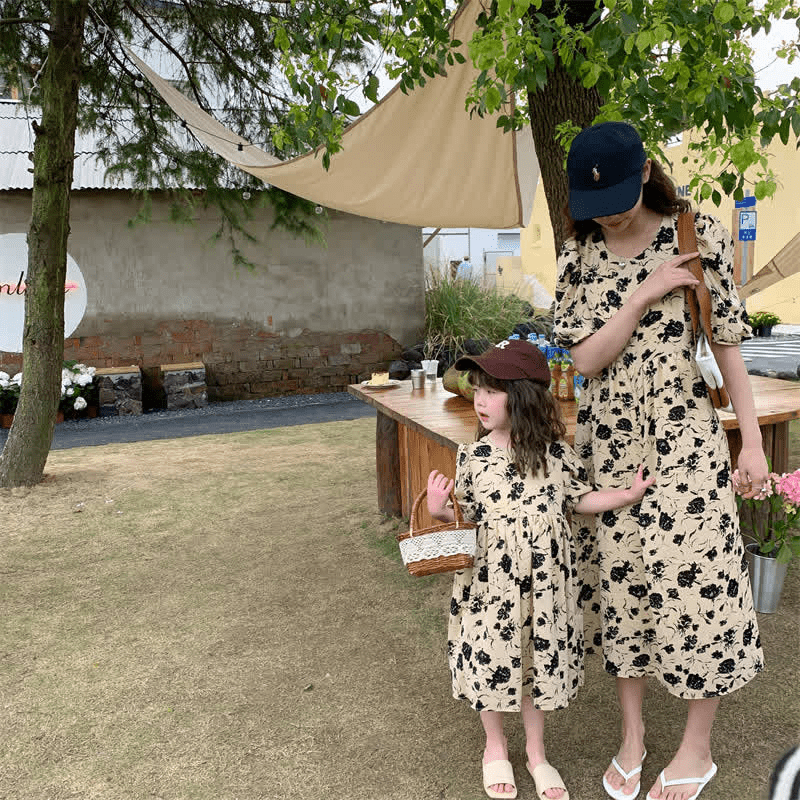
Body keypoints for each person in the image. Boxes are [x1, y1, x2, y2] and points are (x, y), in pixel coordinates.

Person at [554, 121, 768, 800]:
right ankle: (632, 737)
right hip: (610, 444)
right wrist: (644, 292)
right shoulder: (577, 256)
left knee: (698, 583)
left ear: (645, 171)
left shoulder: (693, 235)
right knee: (623, 587)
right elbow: (584, 359)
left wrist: (754, 441)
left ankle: (696, 748)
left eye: (617, 195)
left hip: (685, 440)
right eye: (594, 204)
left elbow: (727, 342)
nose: (608, 214)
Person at [426, 339, 656, 800]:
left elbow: (580, 499)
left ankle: (536, 753)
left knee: (535, 665)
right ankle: (495, 746)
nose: (481, 400)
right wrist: (438, 511)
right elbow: (464, 519)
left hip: (546, 589)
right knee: (491, 658)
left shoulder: (555, 455)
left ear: (524, 396)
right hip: (489, 586)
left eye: (493, 391)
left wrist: (627, 496)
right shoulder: (473, 459)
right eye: (478, 390)